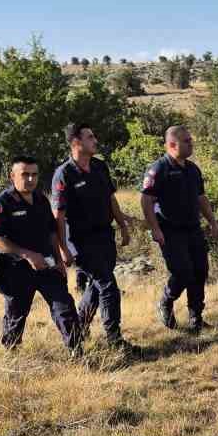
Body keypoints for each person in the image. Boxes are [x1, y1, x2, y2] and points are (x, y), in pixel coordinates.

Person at [0, 154, 82, 355]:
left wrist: (58, 260)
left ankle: (76, 351)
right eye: (25, 175)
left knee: (64, 307)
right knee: (16, 314)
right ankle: (11, 355)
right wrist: (27, 255)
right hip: (16, 268)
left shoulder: (40, 200)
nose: (30, 179)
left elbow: (51, 232)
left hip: (46, 265)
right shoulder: (1, 203)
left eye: (34, 175)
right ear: (13, 176)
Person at [51, 122, 135, 351]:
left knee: (96, 286)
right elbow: (58, 216)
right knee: (108, 286)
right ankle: (115, 339)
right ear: (76, 143)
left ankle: (80, 325)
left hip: (104, 235)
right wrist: (62, 248)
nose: (95, 140)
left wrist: (123, 225)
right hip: (80, 240)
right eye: (90, 137)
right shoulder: (64, 174)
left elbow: (111, 199)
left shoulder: (99, 166)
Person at [140, 125, 218, 333]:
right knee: (183, 272)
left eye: (191, 139)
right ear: (172, 145)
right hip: (170, 230)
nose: (191, 143)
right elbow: (146, 200)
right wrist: (155, 229)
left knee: (200, 271)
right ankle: (166, 301)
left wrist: (212, 222)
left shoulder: (193, 169)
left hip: (193, 229)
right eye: (187, 141)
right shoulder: (159, 169)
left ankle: (196, 318)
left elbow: (201, 198)